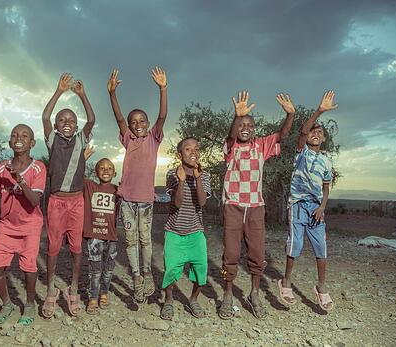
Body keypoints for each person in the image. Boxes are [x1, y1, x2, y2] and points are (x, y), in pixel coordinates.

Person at [219, 91, 295, 319]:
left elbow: (281, 134)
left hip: (255, 207)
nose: (245, 127)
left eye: (249, 125)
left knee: (257, 253)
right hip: (233, 206)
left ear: (254, 129)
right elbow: (231, 137)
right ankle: (228, 294)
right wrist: (236, 116)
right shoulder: (230, 147)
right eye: (241, 124)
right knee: (230, 254)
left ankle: (254, 295)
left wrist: (290, 115)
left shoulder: (261, 146)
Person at [107, 67, 167, 303]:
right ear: (130, 127)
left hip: (145, 201)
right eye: (134, 122)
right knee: (130, 240)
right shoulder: (128, 139)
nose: (138, 124)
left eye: (142, 121)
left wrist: (163, 88)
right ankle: (135, 276)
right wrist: (112, 94)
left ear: (148, 123)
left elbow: (162, 117)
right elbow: (119, 117)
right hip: (128, 201)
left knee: (145, 239)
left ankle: (147, 272)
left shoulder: (153, 138)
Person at [0, 124, 46, 326]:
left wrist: (20, 180)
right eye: (15, 135)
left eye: (25, 135)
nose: (19, 138)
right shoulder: (1, 167)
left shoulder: (38, 167)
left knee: (28, 268)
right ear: (9, 142)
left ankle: (30, 304)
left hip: (30, 226)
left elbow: (34, 201)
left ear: (31, 143)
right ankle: (7, 304)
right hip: (7, 227)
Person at [278, 91, 338, 312]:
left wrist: (322, 207)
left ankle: (321, 288)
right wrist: (320, 110)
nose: (314, 133)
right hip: (297, 205)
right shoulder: (301, 153)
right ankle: (285, 283)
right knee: (295, 244)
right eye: (313, 130)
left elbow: (325, 186)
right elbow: (302, 130)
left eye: (319, 132)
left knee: (321, 248)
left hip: (316, 209)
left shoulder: (326, 161)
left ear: (323, 139)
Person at [41, 73, 95, 318]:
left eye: (70, 120)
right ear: (56, 124)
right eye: (61, 119)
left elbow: (91, 119)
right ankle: (51, 288)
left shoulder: (81, 140)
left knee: (76, 248)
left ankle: (72, 288)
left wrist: (82, 95)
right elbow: (44, 116)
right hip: (56, 202)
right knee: (53, 247)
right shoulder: (52, 140)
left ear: (75, 125)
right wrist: (59, 90)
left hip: (76, 202)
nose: (66, 122)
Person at [160, 137, 211, 321]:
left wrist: (196, 179)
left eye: (196, 149)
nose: (193, 152)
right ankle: (168, 300)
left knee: (201, 268)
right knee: (171, 270)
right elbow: (178, 203)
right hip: (174, 231)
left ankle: (193, 299)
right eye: (188, 149)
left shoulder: (204, 175)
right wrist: (181, 181)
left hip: (195, 231)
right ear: (180, 154)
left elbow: (203, 202)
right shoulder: (172, 174)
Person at [82, 150, 119, 315]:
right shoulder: (90, 186)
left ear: (115, 173)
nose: (105, 170)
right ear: (95, 172)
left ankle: (105, 292)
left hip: (112, 237)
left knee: (108, 269)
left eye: (109, 168)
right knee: (95, 270)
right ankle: (94, 297)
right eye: (102, 168)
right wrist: (82, 159)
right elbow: (76, 176)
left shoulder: (118, 191)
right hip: (95, 236)